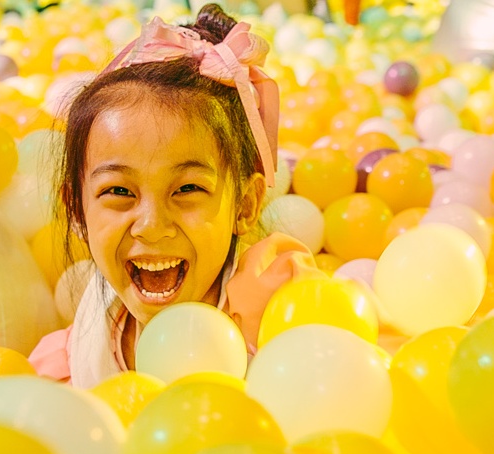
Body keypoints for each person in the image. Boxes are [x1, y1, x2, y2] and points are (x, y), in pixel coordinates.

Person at [30, 3, 325, 388]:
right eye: (119, 191)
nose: (152, 227)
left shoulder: (278, 308)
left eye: (187, 189)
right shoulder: (86, 343)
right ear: (77, 211)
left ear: (245, 204)